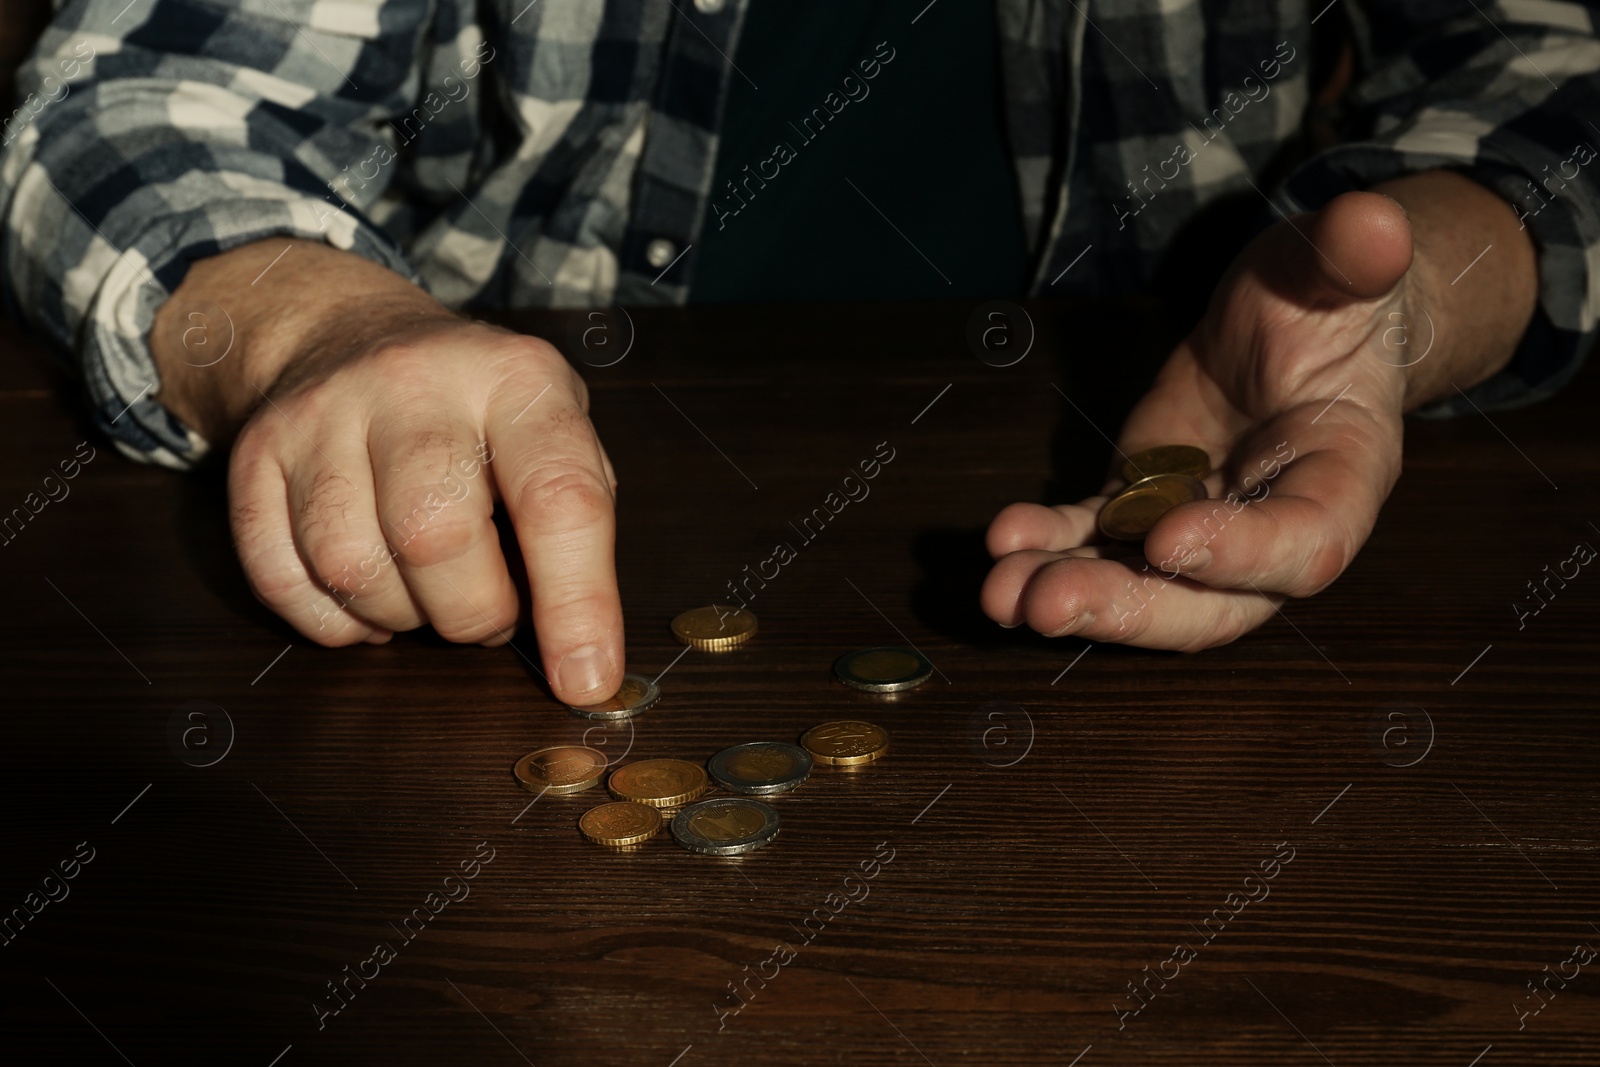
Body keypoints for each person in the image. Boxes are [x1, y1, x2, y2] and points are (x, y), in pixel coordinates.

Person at [1, 0, 1595, 705]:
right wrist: (314, 325)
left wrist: (1419, 297)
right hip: (500, 490)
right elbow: (136, 97)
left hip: (1124, 459)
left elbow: (1557, 70)